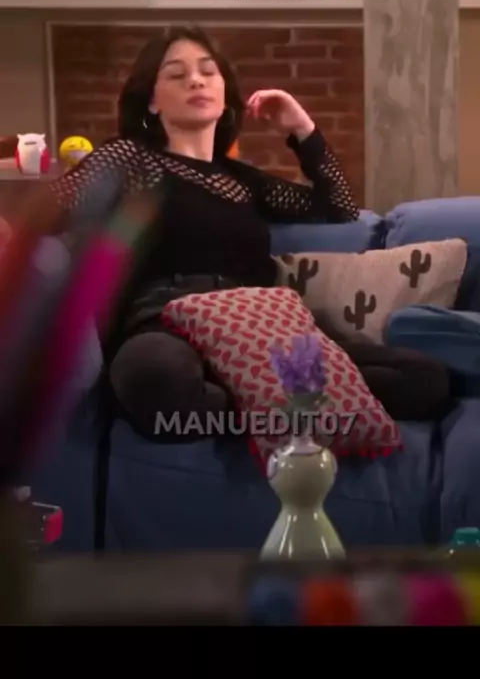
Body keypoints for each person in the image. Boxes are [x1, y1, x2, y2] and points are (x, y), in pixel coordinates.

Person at [48, 26, 450, 439]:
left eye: (208, 71)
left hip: (257, 327)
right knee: (153, 378)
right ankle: (285, 406)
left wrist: (301, 129)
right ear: (152, 100)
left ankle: (256, 404)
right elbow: (51, 207)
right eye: (176, 74)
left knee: (425, 379)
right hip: (168, 323)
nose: (196, 80)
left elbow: (340, 208)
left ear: (225, 96)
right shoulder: (131, 157)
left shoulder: (244, 181)